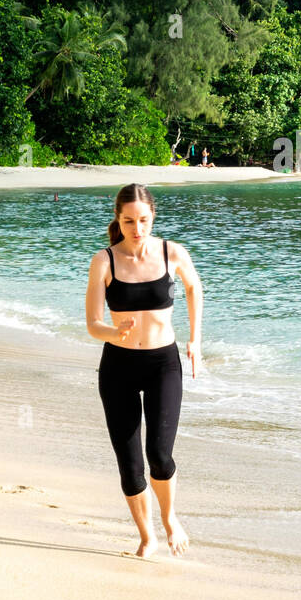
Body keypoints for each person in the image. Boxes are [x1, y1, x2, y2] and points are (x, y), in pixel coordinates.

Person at [85, 184, 204, 559]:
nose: (137, 229)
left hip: (162, 365)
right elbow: (92, 323)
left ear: (153, 216)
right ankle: (147, 535)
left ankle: (170, 520)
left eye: (143, 221)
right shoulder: (103, 261)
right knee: (130, 464)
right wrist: (113, 331)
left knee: (159, 455)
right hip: (118, 367)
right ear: (117, 220)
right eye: (128, 221)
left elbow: (194, 286)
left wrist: (195, 340)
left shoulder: (173, 253)